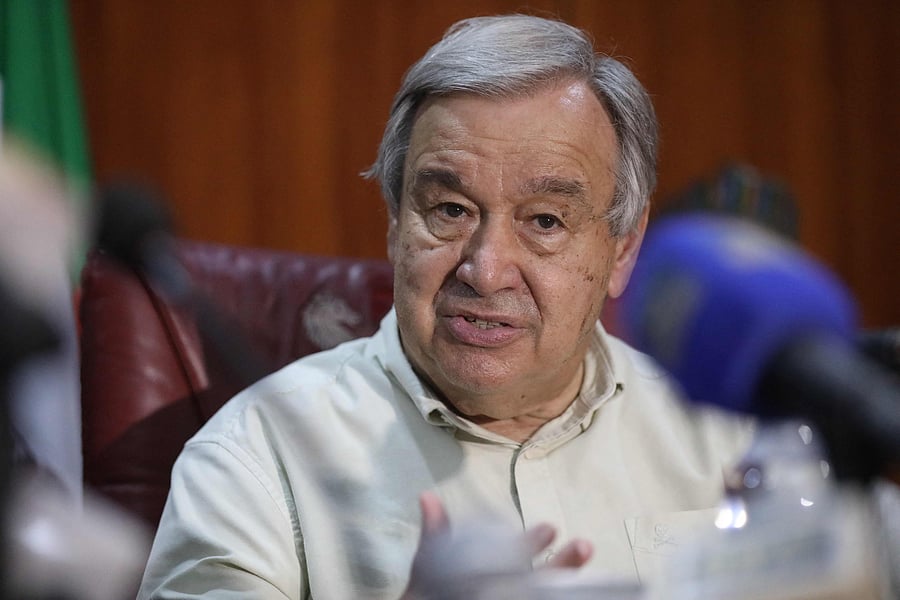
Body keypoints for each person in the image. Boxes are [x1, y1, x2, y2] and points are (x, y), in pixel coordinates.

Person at [138, 14, 754, 599]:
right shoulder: (256, 457)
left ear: (623, 249)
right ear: (395, 223)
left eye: (544, 220)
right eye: (450, 210)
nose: (485, 271)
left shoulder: (728, 441)